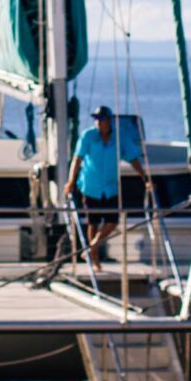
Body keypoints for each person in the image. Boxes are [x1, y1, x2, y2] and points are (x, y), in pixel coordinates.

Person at [64, 105, 149, 267]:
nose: (98, 122)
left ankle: (92, 245)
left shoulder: (120, 136)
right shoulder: (88, 136)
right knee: (93, 222)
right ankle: (94, 257)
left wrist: (144, 178)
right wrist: (71, 181)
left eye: (101, 119)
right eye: (96, 119)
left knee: (113, 221)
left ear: (108, 120)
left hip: (110, 187)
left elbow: (132, 158)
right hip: (90, 186)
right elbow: (77, 159)